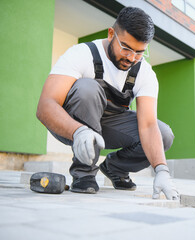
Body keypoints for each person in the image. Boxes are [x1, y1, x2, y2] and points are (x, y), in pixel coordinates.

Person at [36, 7, 179, 200]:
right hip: (71, 124)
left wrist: (161, 170)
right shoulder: (81, 54)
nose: (131, 58)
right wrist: (78, 131)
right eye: (126, 48)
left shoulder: (144, 72)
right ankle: (84, 174)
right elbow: (46, 105)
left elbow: (148, 125)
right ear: (111, 34)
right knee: (88, 88)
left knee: (163, 135)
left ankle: (115, 167)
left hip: (110, 126)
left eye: (139, 52)